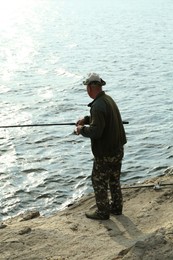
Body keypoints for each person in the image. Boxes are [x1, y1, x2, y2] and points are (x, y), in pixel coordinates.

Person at [75, 73, 127, 220]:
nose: (86, 89)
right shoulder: (107, 99)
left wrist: (81, 130)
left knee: (98, 180)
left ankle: (103, 212)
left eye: (87, 86)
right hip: (117, 149)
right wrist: (86, 119)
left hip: (105, 153)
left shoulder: (97, 105)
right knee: (114, 180)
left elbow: (96, 131)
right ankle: (116, 208)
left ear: (91, 87)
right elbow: (104, 119)